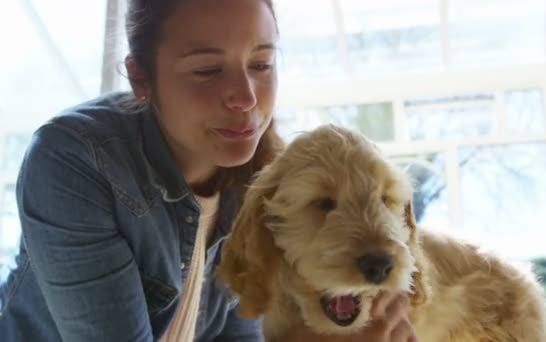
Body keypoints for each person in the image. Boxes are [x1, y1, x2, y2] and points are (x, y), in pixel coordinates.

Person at [0, 0, 417, 341]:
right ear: (140, 78)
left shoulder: (268, 182)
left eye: (261, 64)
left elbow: (237, 333)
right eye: (207, 70)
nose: (246, 97)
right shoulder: (75, 159)